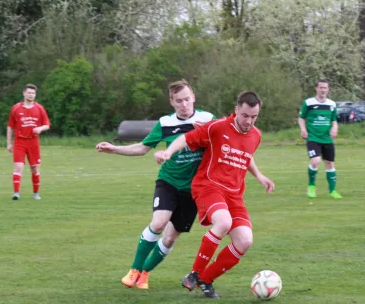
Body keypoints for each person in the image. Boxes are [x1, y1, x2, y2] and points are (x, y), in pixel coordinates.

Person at [96, 80, 216, 290]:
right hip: (168, 181)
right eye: (179, 101)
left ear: (194, 97)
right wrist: (114, 149)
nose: (184, 104)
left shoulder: (207, 119)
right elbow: (143, 148)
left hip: (193, 189)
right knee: (159, 223)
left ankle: (145, 273)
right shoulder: (166, 123)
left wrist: (208, 132)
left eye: (187, 99)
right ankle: (134, 270)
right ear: (171, 102)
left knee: (169, 238)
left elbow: (223, 142)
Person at [154, 91, 275, 299]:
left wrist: (260, 176)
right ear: (236, 110)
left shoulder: (256, 135)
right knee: (223, 222)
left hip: (234, 195)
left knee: (245, 240)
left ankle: (206, 279)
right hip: (208, 186)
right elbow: (186, 138)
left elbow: (245, 156)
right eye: (245, 115)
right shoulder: (217, 127)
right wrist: (168, 152)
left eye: (254, 117)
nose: (249, 121)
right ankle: (194, 273)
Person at [298, 79, 342, 199]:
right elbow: (301, 117)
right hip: (313, 137)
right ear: (316, 88)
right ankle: (311, 186)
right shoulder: (308, 103)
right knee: (315, 161)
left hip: (327, 139)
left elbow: (334, 120)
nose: (323, 90)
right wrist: (303, 129)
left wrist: (335, 128)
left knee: (329, 164)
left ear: (328, 89)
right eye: (321, 87)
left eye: (325, 88)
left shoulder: (331, 104)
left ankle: (332, 191)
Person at [7, 84, 50, 200]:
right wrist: (9, 143)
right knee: (18, 166)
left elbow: (47, 125)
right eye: (29, 93)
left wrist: (40, 128)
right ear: (24, 93)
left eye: (33, 93)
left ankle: (36, 193)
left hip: (33, 142)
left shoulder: (39, 108)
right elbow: (10, 127)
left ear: (35, 95)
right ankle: (16, 193)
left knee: (34, 168)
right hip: (19, 141)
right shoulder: (16, 108)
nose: (31, 95)